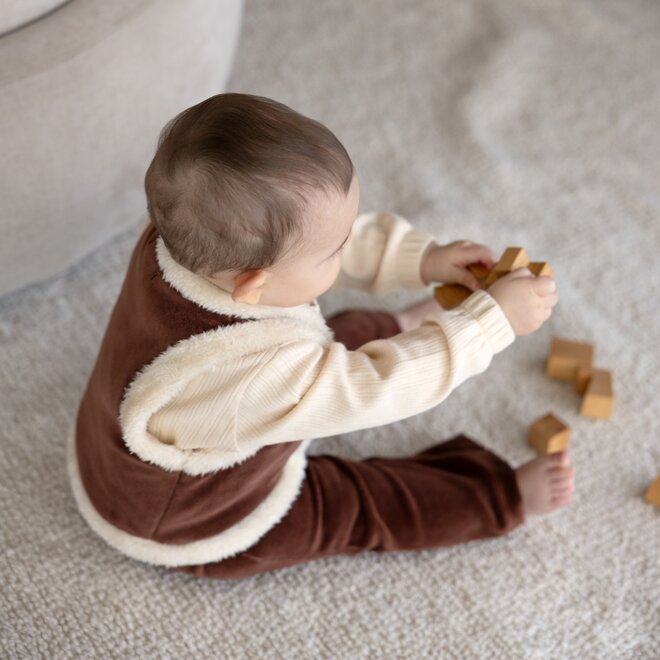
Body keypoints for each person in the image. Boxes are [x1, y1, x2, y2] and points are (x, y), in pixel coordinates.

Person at [66, 93, 573, 580]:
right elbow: (379, 389)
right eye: (335, 251)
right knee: (355, 505)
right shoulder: (248, 373)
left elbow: (318, 238)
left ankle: (400, 329)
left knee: (328, 338)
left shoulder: (179, 241)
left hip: (154, 431)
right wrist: (491, 322)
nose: (344, 247)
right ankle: (501, 496)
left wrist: (423, 259)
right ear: (253, 285)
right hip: (194, 519)